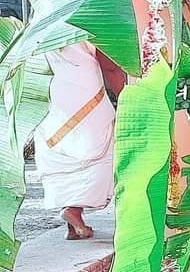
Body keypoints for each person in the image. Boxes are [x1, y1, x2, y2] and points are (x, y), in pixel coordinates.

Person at [32, 41, 126, 240]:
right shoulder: (90, 12)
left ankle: (74, 223)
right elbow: (109, 65)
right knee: (100, 145)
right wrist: (126, 96)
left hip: (49, 85)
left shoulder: (42, 13)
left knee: (60, 145)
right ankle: (74, 211)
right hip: (84, 87)